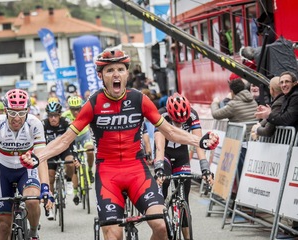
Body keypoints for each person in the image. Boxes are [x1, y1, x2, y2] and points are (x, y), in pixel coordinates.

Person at [20, 48, 219, 240]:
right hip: (108, 174)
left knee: (162, 226)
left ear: (126, 74)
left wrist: (200, 140)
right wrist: (38, 157)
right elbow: (65, 140)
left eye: (120, 70)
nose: (116, 74)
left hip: (137, 171)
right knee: (114, 235)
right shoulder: (93, 103)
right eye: (110, 70)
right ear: (101, 76)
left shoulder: (139, 99)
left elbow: (170, 131)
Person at [0, 89, 52, 240]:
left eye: (21, 113)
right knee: (3, 225)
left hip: (26, 169)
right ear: (5, 110)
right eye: (12, 112)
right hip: (3, 171)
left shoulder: (34, 124)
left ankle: (33, 232)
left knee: (32, 201)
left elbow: (41, 158)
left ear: (27, 110)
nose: (17, 118)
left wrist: (46, 187)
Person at [155, 93, 213, 239]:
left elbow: (199, 144)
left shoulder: (192, 115)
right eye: (177, 121)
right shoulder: (162, 115)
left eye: (183, 121)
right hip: (166, 155)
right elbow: (160, 147)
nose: (180, 124)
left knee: (184, 198)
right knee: (164, 185)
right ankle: (163, 229)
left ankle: (187, 237)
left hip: (181, 155)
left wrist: (205, 168)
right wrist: (159, 168)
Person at [211, 78, 257, 180]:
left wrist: (215, 102)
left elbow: (216, 114)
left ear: (232, 91)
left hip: (241, 143)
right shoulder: (253, 101)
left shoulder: (233, 105)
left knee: (241, 172)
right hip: (254, 141)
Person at [42, 101, 76, 219]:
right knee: (50, 177)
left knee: (70, 162)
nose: (53, 118)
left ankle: (69, 181)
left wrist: (75, 155)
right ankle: (49, 207)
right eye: (50, 116)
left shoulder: (66, 122)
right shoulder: (43, 124)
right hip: (51, 151)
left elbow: (72, 140)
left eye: (55, 115)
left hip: (64, 150)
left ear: (59, 115)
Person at [62, 96, 95, 186]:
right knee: (71, 161)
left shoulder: (85, 112)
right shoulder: (65, 116)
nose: (76, 112)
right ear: (69, 108)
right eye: (73, 109)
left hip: (84, 134)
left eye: (78, 109)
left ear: (81, 107)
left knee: (90, 150)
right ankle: (75, 188)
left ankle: (89, 170)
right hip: (73, 137)